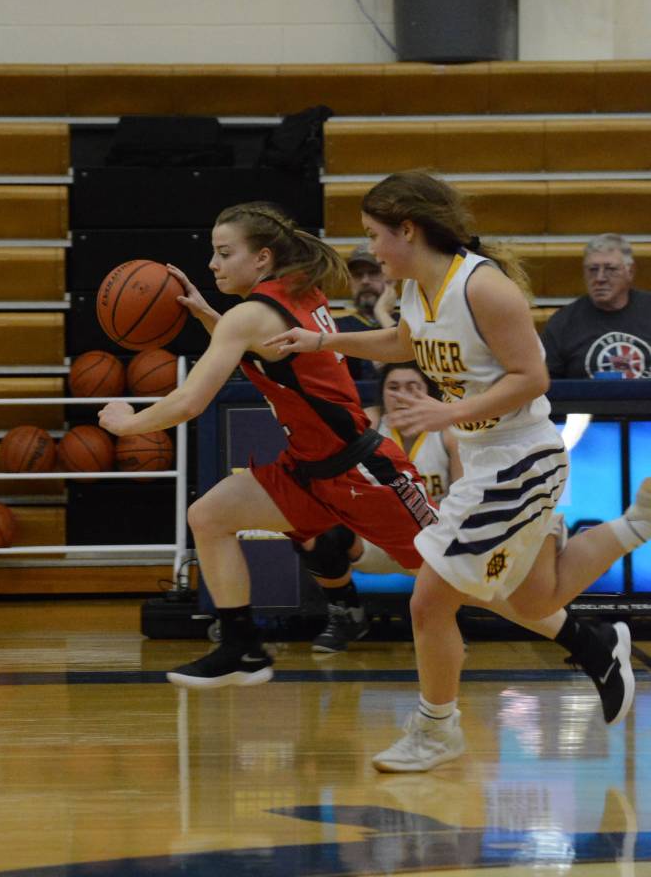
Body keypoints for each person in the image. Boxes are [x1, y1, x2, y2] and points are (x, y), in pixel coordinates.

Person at [267, 170, 651, 771]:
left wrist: (450, 409)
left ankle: (437, 728)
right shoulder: (417, 289)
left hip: (521, 459)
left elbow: (534, 378)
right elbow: (404, 343)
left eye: (374, 235)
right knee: (532, 597)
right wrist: (324, 344)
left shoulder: (486, 288)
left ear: (409, 229)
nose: (370, 249)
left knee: (429, 599)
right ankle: (632, 539)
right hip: (486, 461)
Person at [98, 201, 437, 690]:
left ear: (260, 259)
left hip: (362, 470)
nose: (213, 264)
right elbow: (269, 349)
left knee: (458, 576)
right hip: (309, 469)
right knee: (209, 517)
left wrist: (128, 424)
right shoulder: (299, 291)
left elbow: (191, 401)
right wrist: (212, 318)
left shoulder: (251, 315)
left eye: (223, 252)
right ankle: (242, 648)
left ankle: (578, 637)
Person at [306, 361, 463, 653]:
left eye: (412, 387)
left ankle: (445, 622)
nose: (402, 395)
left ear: (429, 392)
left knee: (462, 530)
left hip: (429, 547)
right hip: (372, 542)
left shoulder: (447, 433)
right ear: (381, 393)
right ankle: (346, 614)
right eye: (393, 387)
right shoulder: (366, 425)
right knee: (312, 527)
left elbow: (462, 500)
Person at [541, 233, 651, 378]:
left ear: (630, 272)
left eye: (610, 269)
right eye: (592, 270)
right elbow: (547, 386)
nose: (600, 278)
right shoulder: (563, 323)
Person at [335, 243, 399, 382]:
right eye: (358, 275)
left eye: (373, 272)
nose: (365, 281)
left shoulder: (409, 321)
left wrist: (382, 313)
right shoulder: (336, 327)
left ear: (390, 279)